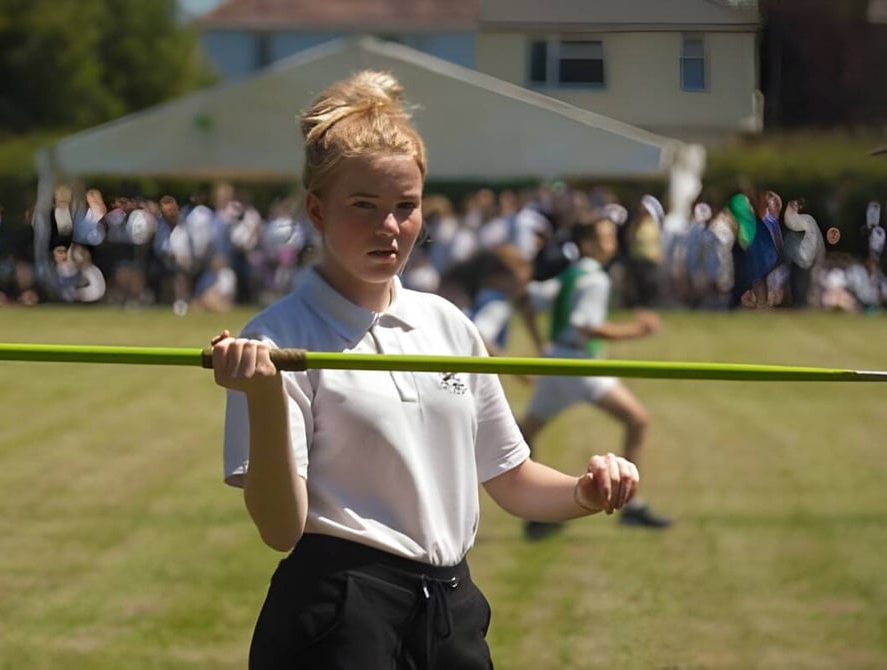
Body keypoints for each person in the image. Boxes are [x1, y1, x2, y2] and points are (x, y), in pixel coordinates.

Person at [208, 70, 640, 670]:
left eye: (405, 207)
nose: (390, 227)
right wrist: (262, 395)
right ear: (317, 210)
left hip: (452, 615)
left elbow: (511, 480)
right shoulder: (277, 339)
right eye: (364, 206)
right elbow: (282, 529)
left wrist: (584, 493)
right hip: (339, 618)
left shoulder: (449, 326)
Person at [518, 214, 670, 540]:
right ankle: (630, 505)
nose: (610, 242)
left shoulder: (571, 273)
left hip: (555, 363)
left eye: (612, 235)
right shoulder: (596, 278)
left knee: (522, 433)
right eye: (603, 236)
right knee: (638, 421)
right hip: (580, 366)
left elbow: (526, 299)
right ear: (586, 243)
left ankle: (534, 509)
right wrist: (638, 330)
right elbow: (586, 326)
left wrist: (540, 343)